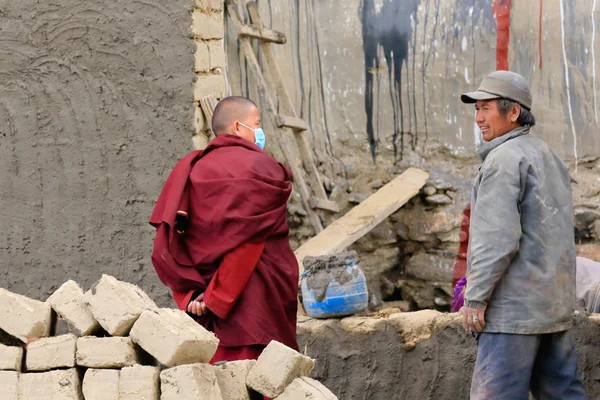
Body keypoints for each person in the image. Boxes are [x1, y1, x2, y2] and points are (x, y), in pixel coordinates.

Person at [460, 71, 586, 399]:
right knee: (563, 393)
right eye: (477, 110)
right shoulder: (547, 155)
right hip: (550, 309)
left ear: (513, 112)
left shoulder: (503, 161)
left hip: (512, 314)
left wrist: (475, 298)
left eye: (486, 108)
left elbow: (497, 238)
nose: (479, 118)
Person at [149, 96, 300, 370]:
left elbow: (173, 241)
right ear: (238, 127)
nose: (260, 132)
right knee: (263, 377)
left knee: (218, 381)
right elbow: (249, 242)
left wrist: (191, 295)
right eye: (257, 124)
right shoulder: (259, 168)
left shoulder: (192, 169)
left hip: (205, 304)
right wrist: (217, 297)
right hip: (253, 299)